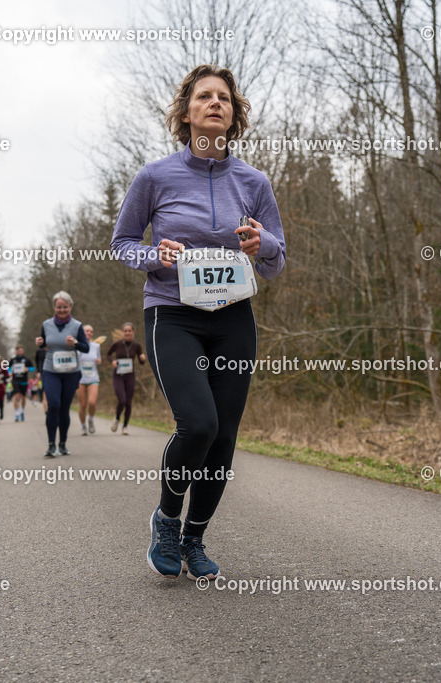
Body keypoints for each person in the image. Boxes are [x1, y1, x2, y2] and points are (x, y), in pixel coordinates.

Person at [110, 64, 286, 580]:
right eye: (204, 97)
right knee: (199, 424)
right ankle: (167, 519)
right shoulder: (155, 177)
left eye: (224, 99)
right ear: (185, 114)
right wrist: (155, 258)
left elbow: (276, 261)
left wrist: (263, 244)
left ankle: (195, 536)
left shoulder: (254, 182)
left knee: (225, 437)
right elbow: (122, 245)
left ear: (234, 117)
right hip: (172, 314)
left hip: (233, 318)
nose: (215, 103)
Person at [34, 291, 89, 456]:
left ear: (71, 306)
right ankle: (51, 445)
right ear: (54, 307)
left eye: (65, 307)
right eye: (59, 307)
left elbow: (85, 348)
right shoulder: (46, 324)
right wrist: (39, 343)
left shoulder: (77, 326)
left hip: (71, 372)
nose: (62, 310)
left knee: (64, 409)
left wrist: (76, 343)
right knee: (54, 405)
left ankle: (63, 443)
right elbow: (43, 343)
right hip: (51, 370)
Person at [106, 322, 146, 435]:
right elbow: (108, 355)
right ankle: (117, 418)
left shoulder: (137, 346)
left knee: (128, 402)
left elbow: (141, 361)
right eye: (125, 331)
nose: (127, 332)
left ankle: (125, 426)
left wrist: (142, 359)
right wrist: (112, 361)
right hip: (118, 375)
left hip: (130, 375)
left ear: (133, 332)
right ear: (122, 332)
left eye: (129, 331)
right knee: (122, 400)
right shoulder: (117, 344)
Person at [76, 324, 102, 435]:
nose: (89, 333)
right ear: (82, 332)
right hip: (80, 379)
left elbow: (99, 359)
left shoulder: (96, 346)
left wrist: (98, 361)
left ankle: (90, 419)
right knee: (82, 404)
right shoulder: (77, 345)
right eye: (86, 331)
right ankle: (83, 426)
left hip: (93, 377)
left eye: (91, 331)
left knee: (92, 402)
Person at [8, 345, 33, 422]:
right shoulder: (12, 360)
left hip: (24, 380)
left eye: (21, 350)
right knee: (16, 397)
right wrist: (9, 372)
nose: (20, 351)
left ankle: (22, 411)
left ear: (23, 351)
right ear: (16, 351)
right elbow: (8, 368)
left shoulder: (26, 360)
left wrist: (27, 369)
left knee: (23, 397)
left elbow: (33, 368)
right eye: (19, 350)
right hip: (15, 380)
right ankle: (16, 414)